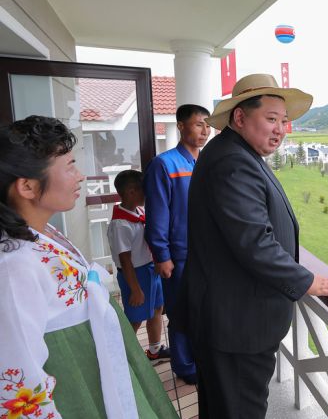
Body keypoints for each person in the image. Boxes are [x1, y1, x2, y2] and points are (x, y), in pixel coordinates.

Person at [177, 74, 328, 418]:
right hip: (236, 326)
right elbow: (254, 241)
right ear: (240, 117)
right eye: (271, 119)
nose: (280, 129)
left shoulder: (235, 152)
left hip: (227, 319)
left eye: (284, 121)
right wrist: (306, 280)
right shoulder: (232, 162)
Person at [0, 115, 178, 418]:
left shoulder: (44, 233)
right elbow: (17, 378)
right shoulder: (13, 266)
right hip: (77, 390)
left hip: (97, 376)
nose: (80, 176)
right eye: (69, 166)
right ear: (27, 186)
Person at [143, 104, 210, 385]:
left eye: (208, 125)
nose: (205, 131)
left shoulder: (207, 163)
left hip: (206, 254)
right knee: (181, 311)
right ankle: (185, 366)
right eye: (198, 124)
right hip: (179, 255)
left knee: (203, 309)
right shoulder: (165, 164)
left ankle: (202, 358)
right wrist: (162, 255)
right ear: (181, 126)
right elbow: (158, 213)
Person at [107, 170, 169, 361]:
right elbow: (125, 260)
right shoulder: (120, 224)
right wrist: (135, 289)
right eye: (145, 190)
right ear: (132, 192)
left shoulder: (139, 212)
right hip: (134, 274)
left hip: (150, 270)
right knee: (135, 318)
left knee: (157, 308)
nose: (147, 194)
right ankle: (122, 357)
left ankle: (155, 349)